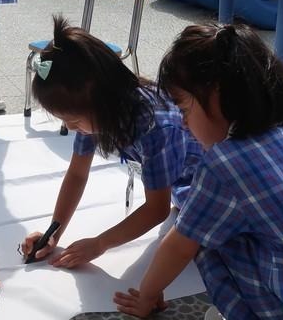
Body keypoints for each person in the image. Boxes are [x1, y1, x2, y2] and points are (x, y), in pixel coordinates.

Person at [113, 23, 283, 319]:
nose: (183, 123)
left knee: (204, 239)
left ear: (216, 95)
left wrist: (147, 296)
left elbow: (179, 248)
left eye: (183, 110)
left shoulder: (225, 164)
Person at [20, 16, 203, 268]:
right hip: (179, 186)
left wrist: (100, 243)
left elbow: (157, 209)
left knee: (189, 255)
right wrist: (54, 233)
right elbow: (77, 174)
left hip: (206, 189)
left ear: (101, 100)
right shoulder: (98, 111)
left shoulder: (156, 128)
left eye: (73, 120)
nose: (70, 128)